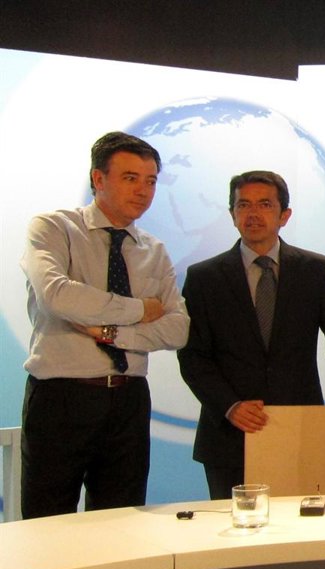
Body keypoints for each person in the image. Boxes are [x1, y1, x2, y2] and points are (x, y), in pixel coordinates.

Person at [19, 131, 189, 520]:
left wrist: (112, 333)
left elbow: (178, 328)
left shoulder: (153, 249)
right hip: (61, 396)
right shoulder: (54, 228)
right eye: (130, 178)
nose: (143, 191)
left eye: (151, 181)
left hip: (128, 398)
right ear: (98, 178)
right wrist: (139, 309)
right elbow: (58, 296)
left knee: (122, 522)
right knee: (47, 522)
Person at [178, 171, 325, 498]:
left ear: (285, 215)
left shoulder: (314, 270)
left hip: (300, 430)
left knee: (299, 526)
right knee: (233, 527)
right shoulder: (203, 277)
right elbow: (193, 357)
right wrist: (230, 406)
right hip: (230, 435)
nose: (253, 213)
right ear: (232, 215)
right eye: (243, 205)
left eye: (265, 204)